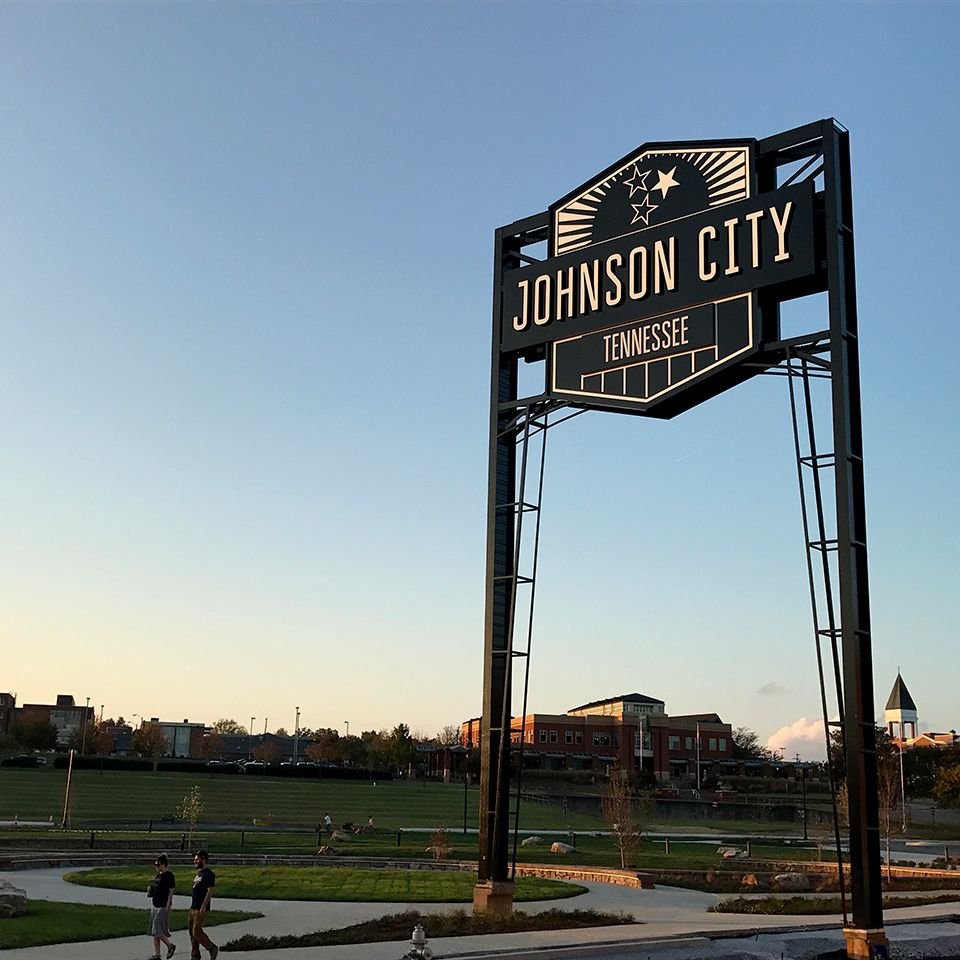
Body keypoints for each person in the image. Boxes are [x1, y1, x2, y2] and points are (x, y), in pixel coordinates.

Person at [188, 849, 217, 960]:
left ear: (203, 859)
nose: (195, 861)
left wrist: (204, 906)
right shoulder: (199, 873)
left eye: (197, 859)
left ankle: (211, 948)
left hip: (201, 908)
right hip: (193, 907)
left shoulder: (209, 874)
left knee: (196, 931)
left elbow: (210, 891)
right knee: (192, 932)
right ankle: (195, 955)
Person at [147, 854, 176, 960]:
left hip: (163, 905)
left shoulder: (169, 876)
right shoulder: (158, 876)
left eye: (158, 864)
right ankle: (157, 954)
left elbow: (171, 890)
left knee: (156, 930)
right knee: (154, 932)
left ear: (164, 864)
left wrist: (169, 903)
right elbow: (155, 887)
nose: (156, 866)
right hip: (155, 905)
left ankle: (170, 946)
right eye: (155, 864)